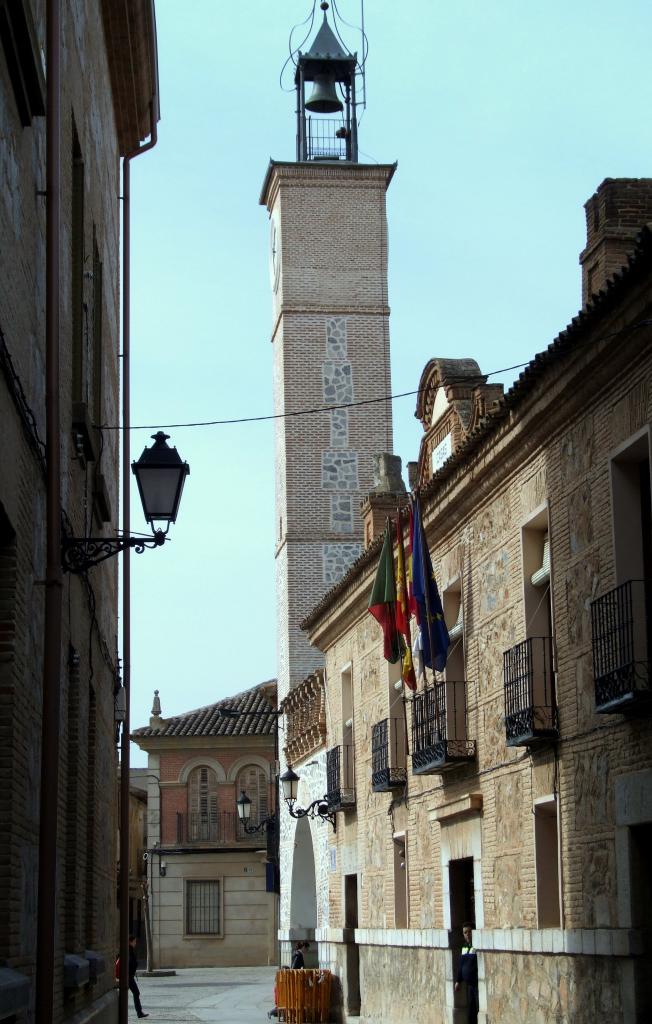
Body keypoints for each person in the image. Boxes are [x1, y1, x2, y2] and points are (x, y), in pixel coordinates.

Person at [454, 923, 478, 1024]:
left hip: (476, 985)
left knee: (478, 1007)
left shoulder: (476, 946)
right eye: (465, 932)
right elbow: (461, 965)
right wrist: (458, 981)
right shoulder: (464, 947)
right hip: (469, 986)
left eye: (469, 932)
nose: (467, 934)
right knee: (471, 1009)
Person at [128, 935, 149, 1019]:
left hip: (129, 976)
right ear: (130, 942)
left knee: (136, 993)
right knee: (136, 993)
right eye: (134, 941)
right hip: (128, 976)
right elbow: (130, 963)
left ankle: (139, 1012)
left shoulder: (130, 950)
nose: (135, 943)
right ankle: (139, 1013)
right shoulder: (129, 950)